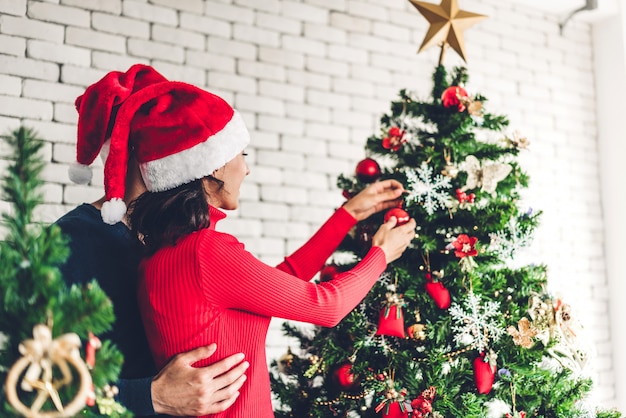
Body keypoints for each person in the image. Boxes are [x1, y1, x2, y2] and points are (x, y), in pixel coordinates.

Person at [87, 69, 416, 418]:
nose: (246, 170)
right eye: (242, 155)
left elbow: (284, 279)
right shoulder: (205, 252)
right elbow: (327, 306)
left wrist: (348, 214)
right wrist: (382, 253)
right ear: (210, 167)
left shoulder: (160, 255)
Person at [55, 64, 249, 417]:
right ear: (185, 161)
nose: (245, 169)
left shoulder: (175, 243)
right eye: (237, 156)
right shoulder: (70, 243)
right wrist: (151, 396)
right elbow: (25, 383)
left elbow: (264, 289)